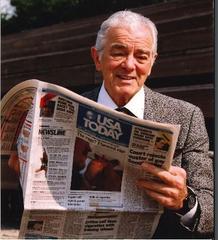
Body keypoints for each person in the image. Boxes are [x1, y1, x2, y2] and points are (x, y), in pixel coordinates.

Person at [82, 10, 214, 238]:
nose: (129, 65)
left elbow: (209, 209)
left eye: (141, 56)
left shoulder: (187, 116)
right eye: (118, 53)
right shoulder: (70, 107)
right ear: (97, 58)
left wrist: (184, 201)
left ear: (152, 62)